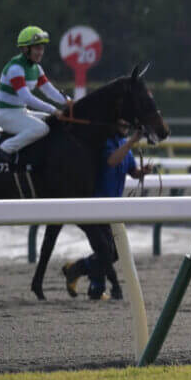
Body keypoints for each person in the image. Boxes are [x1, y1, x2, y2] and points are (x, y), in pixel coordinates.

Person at [62, 124, 152, 301]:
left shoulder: (123, 142)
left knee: (114, 252)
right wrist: (132, 142)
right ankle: (97, 288)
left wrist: (142, 172)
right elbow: (112, 161)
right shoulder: (106, 143)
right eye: (123, 123)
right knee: (106, 252)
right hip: (94, 207)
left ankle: (77, 269)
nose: (126, 127)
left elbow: (132, 171)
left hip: (111, 209)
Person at [0, 26, 71, 158]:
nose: (41, 52)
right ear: (26, 49)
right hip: (7, 115)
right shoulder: (15, 68)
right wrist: (53, 110)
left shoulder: (37, 68)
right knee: (42, 129)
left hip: (21, 112)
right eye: (37, 48)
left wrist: (69, 102)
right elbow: (27, 98)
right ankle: (6, 148)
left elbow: (50, 91)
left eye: (42, 48)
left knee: (52, 121)